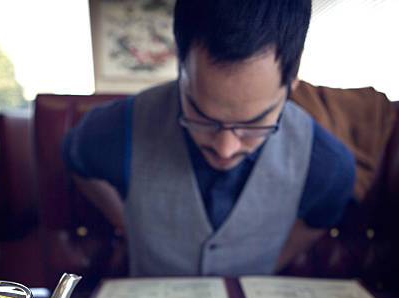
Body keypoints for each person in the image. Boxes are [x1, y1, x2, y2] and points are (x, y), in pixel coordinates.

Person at [63, 0, 356, 277]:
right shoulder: (117, 126)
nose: (225, 149)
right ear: (181, 64)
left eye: (254, 124)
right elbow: (76, 160)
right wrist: (127, 223)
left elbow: (320, 218)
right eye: (202, 117)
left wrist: (270, 261)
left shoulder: (328, 163)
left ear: (292, 81)